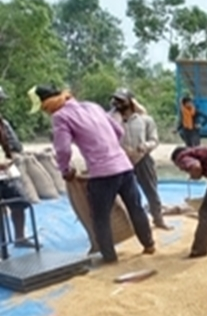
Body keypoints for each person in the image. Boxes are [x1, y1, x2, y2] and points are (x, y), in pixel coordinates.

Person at [27, 84, 156, 263]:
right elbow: (118, 131)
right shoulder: (92, 106)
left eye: (43, 108)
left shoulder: (60, 117)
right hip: (124, 166)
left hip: (103, 174)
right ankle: (149, 245)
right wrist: (110, 148)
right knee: (136, 208)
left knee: (99, 217)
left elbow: (63, 149)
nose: (44, 112)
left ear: (47, 104)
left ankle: (109, 257)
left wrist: (65, 170)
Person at [109, 88, 172, 230]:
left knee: (151, 190)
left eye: (121, 100)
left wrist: (145, 146)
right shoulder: (111, 120)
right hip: (120, 161)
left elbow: (154, 140)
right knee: (120, 194)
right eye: (115, 100)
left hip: (142, 159)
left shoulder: (145, 120)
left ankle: (158, 219)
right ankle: (124, 226)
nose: (117, 103)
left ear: (130, 101)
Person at [0, 86, 37, 249]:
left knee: (20, 202)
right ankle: (2, 246)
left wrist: (10, 159)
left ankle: (20, 238)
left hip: (7, 172)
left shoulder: (3, 123)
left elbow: (16, 146)